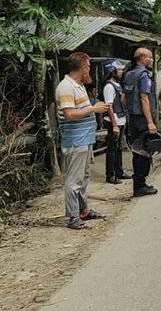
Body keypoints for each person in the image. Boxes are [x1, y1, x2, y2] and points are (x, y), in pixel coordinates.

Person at [56, 52, 110, 229]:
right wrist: (94, 109)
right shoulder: (66, 87)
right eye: (88, 66)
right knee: (74, 180)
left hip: (85, 138)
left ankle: (83, 210)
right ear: (81, 67)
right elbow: (69, 114)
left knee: (83, 177)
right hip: (75, 140)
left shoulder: (78, 86)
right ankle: (73, 216)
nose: (89, 70)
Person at [123, 47, 160, 197]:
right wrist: (150, 121)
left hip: (132, 118)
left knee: (136, 151)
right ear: (143, 58)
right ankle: (140, 185)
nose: (151, 60)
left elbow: (123, 98)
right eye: (150, 58)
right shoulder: (143, 76)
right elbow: (144, 98)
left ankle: (138, 184)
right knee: (144, 151)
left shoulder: (129, 75)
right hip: (142, 118)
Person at [102, 59, 131, 184]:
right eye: (118, 70)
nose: (121, 72)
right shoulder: (109, 86)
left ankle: (119, 171)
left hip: (120, 119)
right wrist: (114, 125)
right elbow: (109, 106)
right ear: (111, 71)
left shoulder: (118, 85)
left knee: (119, 148)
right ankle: (110, 175)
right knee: (112, 149)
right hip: (114, 120)